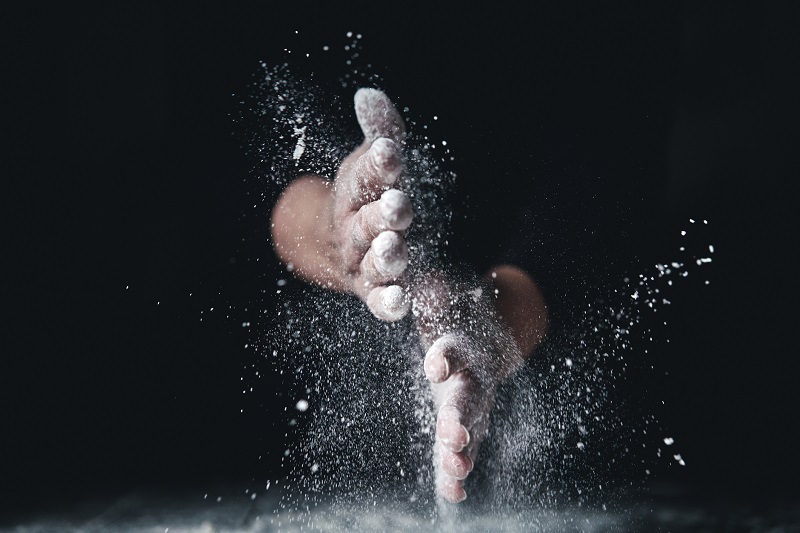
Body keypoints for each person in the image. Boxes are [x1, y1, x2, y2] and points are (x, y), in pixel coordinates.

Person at [270, 88, 548, 503]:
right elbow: (269, 207)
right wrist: (340, 231)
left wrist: (487, 331)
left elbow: (591, 231)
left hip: (622, 486)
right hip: (264, 470)